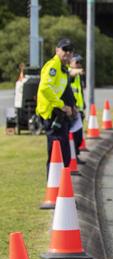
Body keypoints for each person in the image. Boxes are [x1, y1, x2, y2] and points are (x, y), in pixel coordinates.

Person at [36, 38, 74, 171]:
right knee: (56, 154)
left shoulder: (63, 68)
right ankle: (53, 187)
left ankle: (60, 186)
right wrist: (61, 105)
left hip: (57, 113)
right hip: (51, 113)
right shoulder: (53, 65)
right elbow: (45, 88)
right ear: (57, 50)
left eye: (70, 51)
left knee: (63, 153)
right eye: (65, 50)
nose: (67, 53)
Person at [69, 54, 85, 163]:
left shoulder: (78, 75)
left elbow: (79, 92)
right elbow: (70, 75)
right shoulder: (70, 72)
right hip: (72, 109)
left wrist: (83, 105)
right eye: (77, 62)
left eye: (80, 62)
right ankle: (73, 157)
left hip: (78, 109)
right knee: (74, 135)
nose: (79, 64)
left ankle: (75, 155)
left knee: (78, 135)